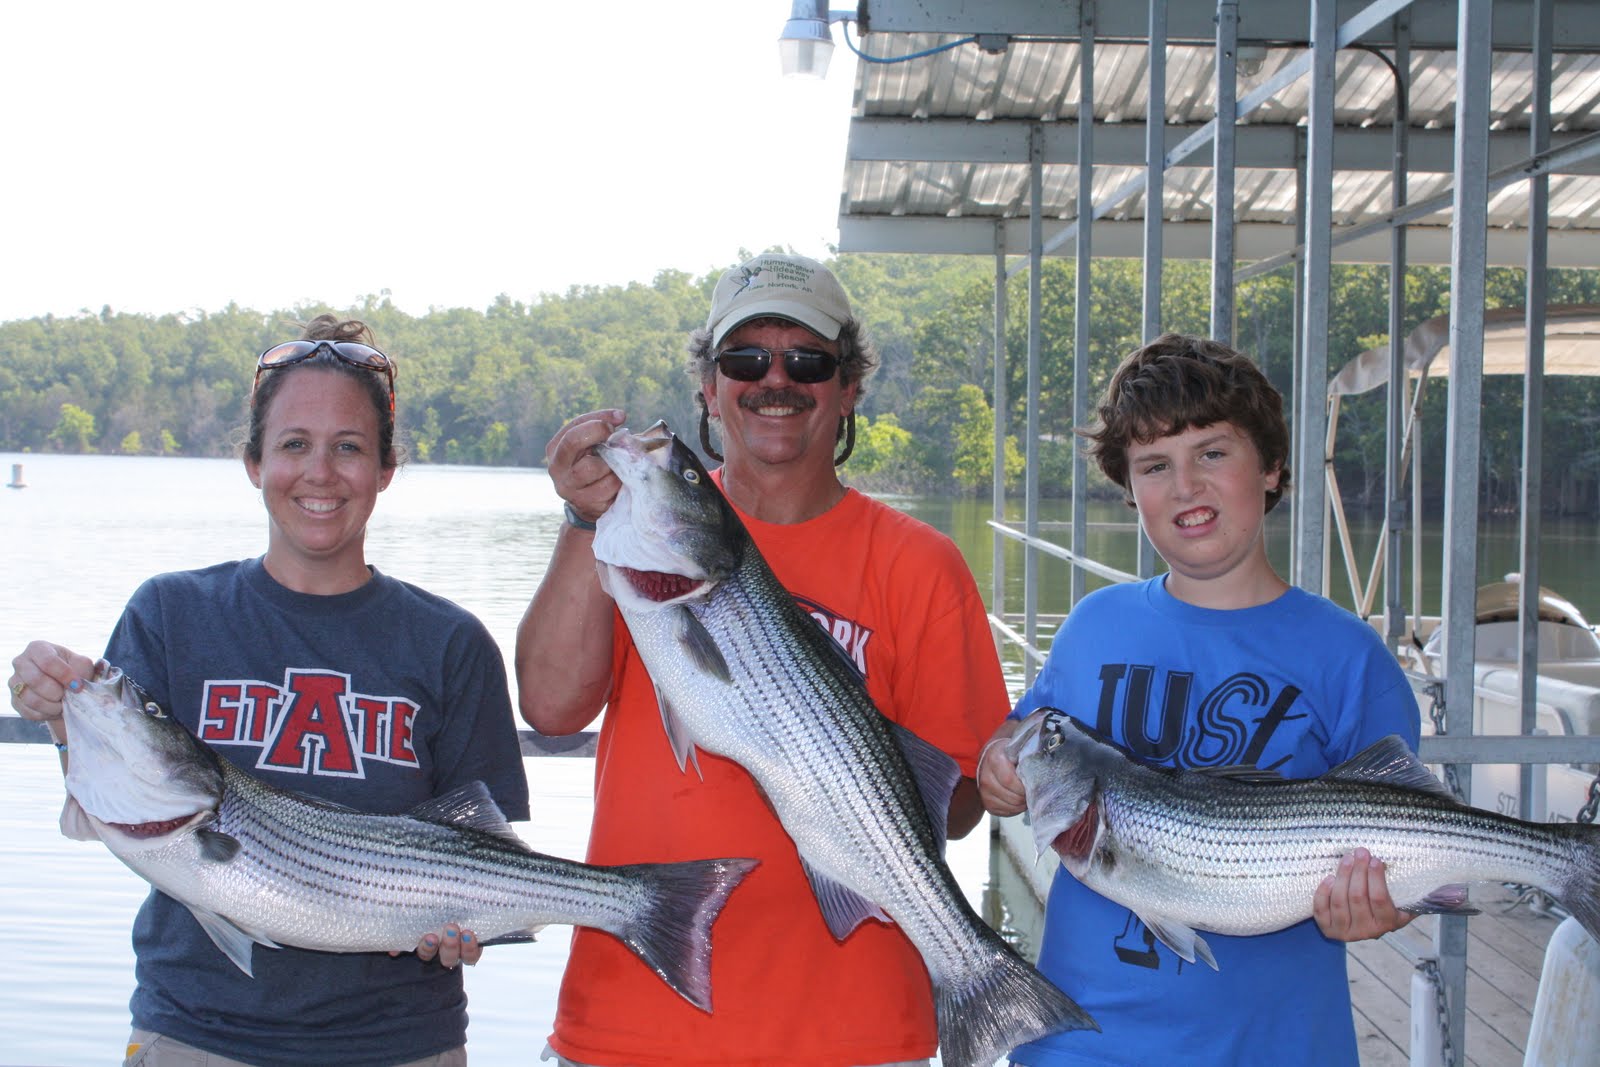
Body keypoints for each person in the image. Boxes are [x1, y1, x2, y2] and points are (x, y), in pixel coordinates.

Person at [519, 252, 1011, 1067]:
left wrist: (844, 764)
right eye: (744, 359)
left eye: (807, 360)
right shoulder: (623, 548)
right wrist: (584, 518)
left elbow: (956, 806)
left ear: (848, 385)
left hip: (855, 1036)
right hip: (631, 1026)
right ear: (708, 387)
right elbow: (548, 706)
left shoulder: (923, 565)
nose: (774, 380)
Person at [8, 315, 530, 1067]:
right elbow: (111, 801)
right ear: (253, 462)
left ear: (386, 468)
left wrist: (467, 922)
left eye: (348, 447)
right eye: (293, 444)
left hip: (399, 1042)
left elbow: (481, 842)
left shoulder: (451, 643)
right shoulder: (170, 614)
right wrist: (66, 719)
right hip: (194, 1032)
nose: (319, 472)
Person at [976, 333, 1421, 1066]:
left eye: (1212, 453)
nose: (1186, 485)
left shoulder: (1350, 659)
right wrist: (999, 763)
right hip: (1079, 1045)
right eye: (1155, 465)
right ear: (1130, 489)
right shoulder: (1093, 625)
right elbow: (1024, 733)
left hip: (1275, 1048)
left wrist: (1383, 904)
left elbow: (1402, 839)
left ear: (1273, 467)